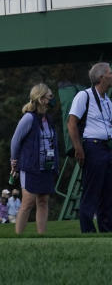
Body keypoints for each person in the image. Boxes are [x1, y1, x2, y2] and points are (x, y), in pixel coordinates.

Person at [66, 62, 112, 233]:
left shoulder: (107, 100)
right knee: (91, 192)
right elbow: (71, 123)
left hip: (105, 148)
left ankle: (107, 230)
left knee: (107, 193)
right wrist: (79, 148)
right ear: (101, 77)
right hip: (91, 147)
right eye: (110, 73)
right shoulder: (84, 96)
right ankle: (87, 231)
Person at [10, 83, 58, 235]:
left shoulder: (48, 119)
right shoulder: (28, 118)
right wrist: (14, 161)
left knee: (43, 201)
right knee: (27, 202)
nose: (52, 99)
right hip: (31, 166)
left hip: (47, 166)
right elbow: (15, 141)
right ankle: (18, 236)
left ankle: (41, 235)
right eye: (50, 96)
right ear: (41, 99)